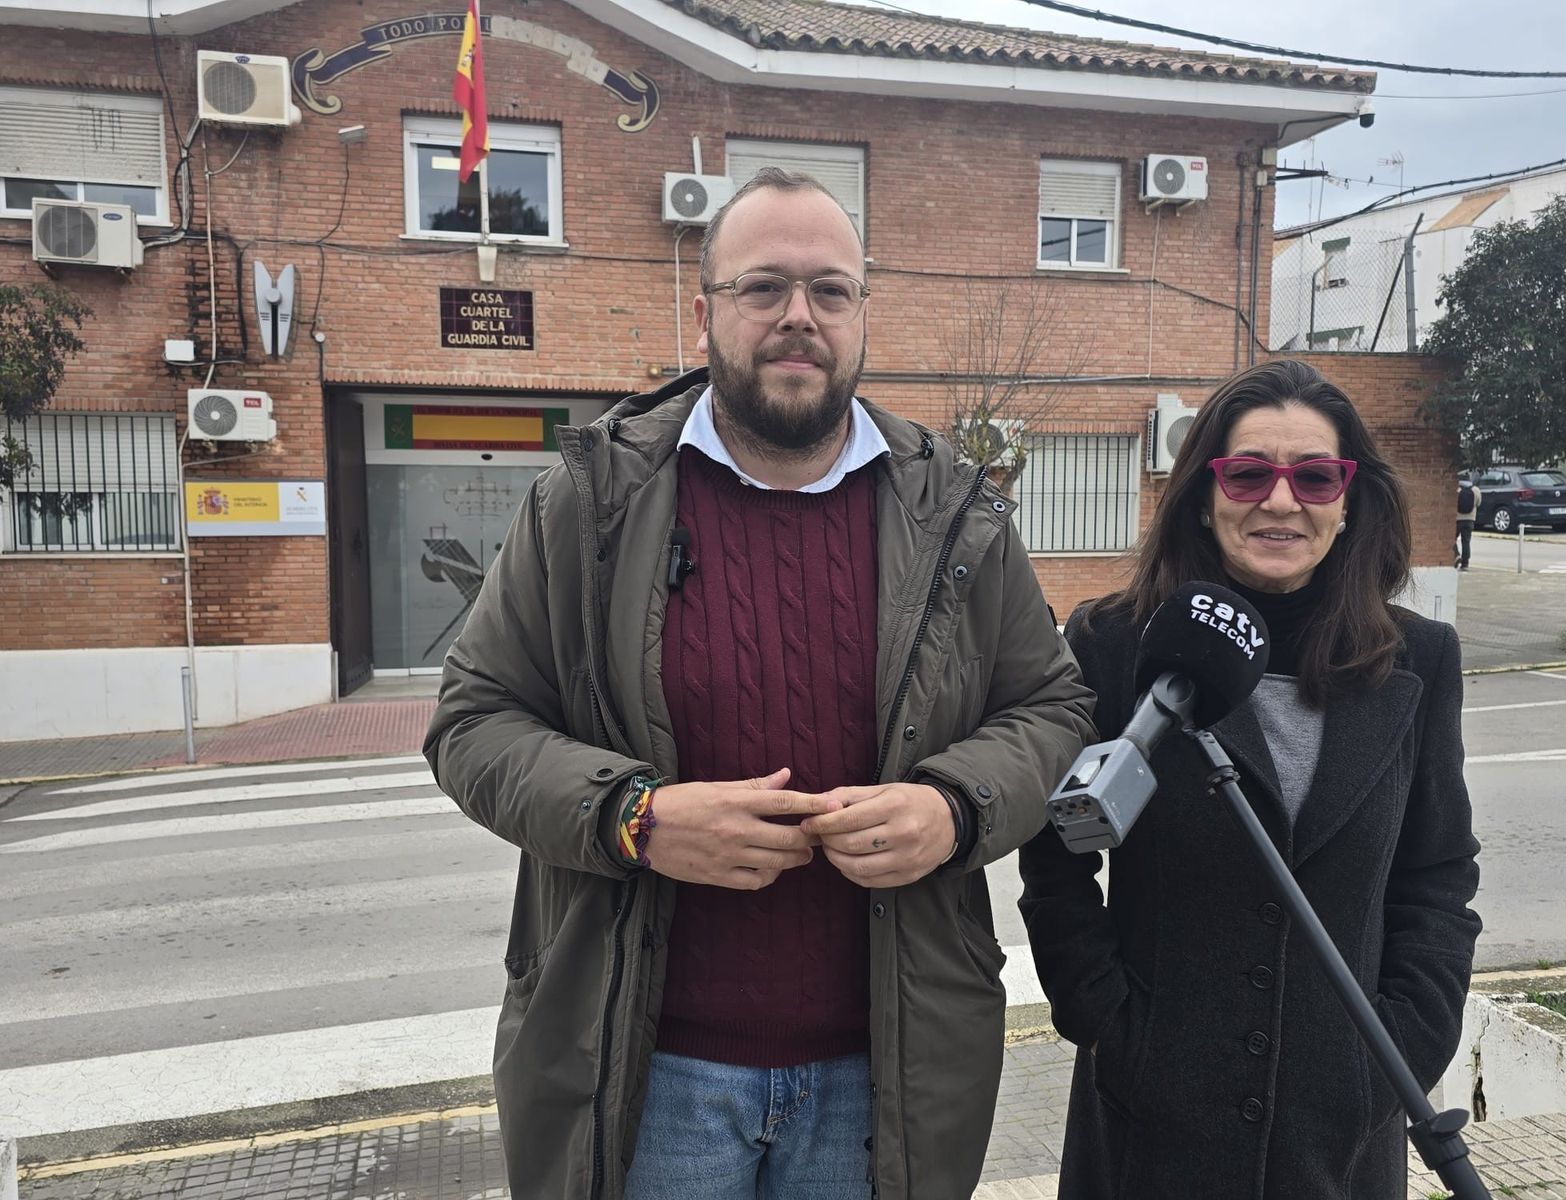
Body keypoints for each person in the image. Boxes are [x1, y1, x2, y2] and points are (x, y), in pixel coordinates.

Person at [424, 166, 1096, 1200]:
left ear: (863, 312)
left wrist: (955, 808)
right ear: (705, 315)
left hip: (885, 1069)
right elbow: (472, 723)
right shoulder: (590, 500)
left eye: (829, 290)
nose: (798, 317)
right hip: (648, 1075)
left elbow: (1049, 706)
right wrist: (631, 816)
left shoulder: (954, 511)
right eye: (762, 288)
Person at [1017, 359, 1482, 1200]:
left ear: (1348, 502)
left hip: (1341, 1134)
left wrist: (1398, 1054)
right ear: (1204, 492)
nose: (1280, 500)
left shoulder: (1421, 659)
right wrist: (1108, 1023)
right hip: (1149, 1126)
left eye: (1313, 476)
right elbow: (1057, 855)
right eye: (1248, 473)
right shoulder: (1119, 643)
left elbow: (1437, 876)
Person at [1456, 475, 1480, 568]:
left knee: (1451, 540)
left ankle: (1456, 555)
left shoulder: (1457, 489)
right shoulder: (1476, 490)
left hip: (1457, 519)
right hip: (1470, 519)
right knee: (1466, 541)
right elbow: (1478, 503)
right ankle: (1465, 563)